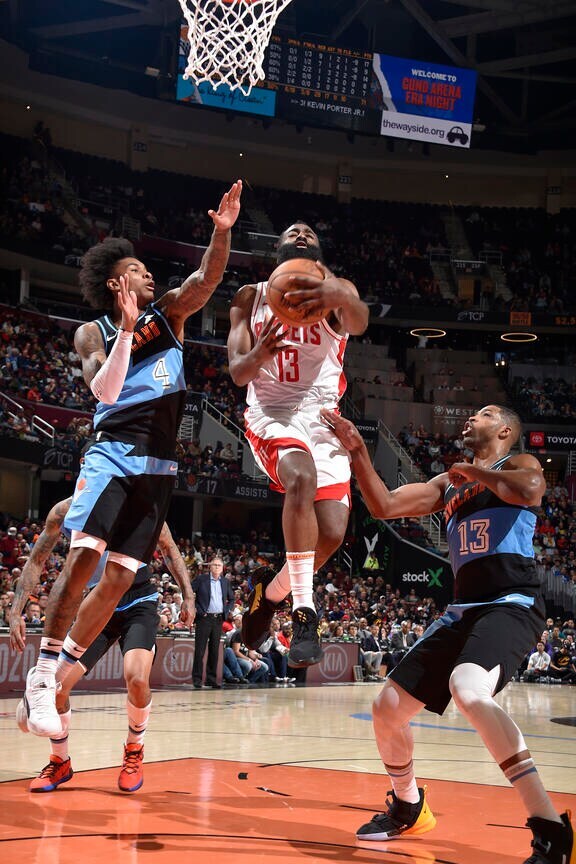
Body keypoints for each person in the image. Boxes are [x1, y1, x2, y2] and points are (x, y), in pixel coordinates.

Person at [24, 180, 241, 737]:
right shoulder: (90, 332)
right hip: (113, 454)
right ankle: (42, 676)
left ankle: (58, 670)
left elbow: (206, 280)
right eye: (141, 268)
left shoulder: (169, 314)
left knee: (119, 579)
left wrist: (221, 234)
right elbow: (104, 390)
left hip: (159, 467)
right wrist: (123, 333)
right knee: (81, 562)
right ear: (120, 281)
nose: (151, 275)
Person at [322, 404, 574, 864]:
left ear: (503, 431)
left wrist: (473, 473)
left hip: (511, 601)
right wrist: (358, 451)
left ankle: (551, 828)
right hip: (463, 610)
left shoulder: (517, 464)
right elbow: (384, 505)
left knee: (469, 689)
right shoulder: (448, 484)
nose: (471, 418)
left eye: (483, 413)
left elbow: (533, 490)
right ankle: (409, 805)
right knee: (386, 711)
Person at [227, 222, 369, 667]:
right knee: (301, 479)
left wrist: (340, 296)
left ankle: (267, 598)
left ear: (318, 250)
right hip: (272, 412)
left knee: (329, 535)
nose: (301, 232)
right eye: (293, 230)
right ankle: (305, 613)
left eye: (308, 231)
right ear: (278, 249)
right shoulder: (249, 297)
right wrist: (260, 355)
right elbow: (238, 372)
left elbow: (360, 320)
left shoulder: (337, 289)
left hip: (324, 418)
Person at [9, 497, 194, 792]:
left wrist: (189, 594)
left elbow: (169, 549)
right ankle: (60, 761)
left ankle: (134, 750)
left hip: (139, 602)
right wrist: (17, 608)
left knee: (136, 678)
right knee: (59, 686)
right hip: (99, 604)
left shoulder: (141, 502)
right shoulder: (64, 511)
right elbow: (37, 559)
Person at [191, 556, 235, 689]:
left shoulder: (225, 582)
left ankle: (211, 679)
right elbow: (188, 593)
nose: (216, 567)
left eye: (219, 565)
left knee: (214, 651)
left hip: (218, 620)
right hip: (204, 618)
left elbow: (231, 599)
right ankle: (197, 679)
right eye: (214, 565)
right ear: (209, 566)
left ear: (222, 568)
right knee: (200, 650)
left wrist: (225, 613)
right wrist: (198, 610)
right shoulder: (201, 579)